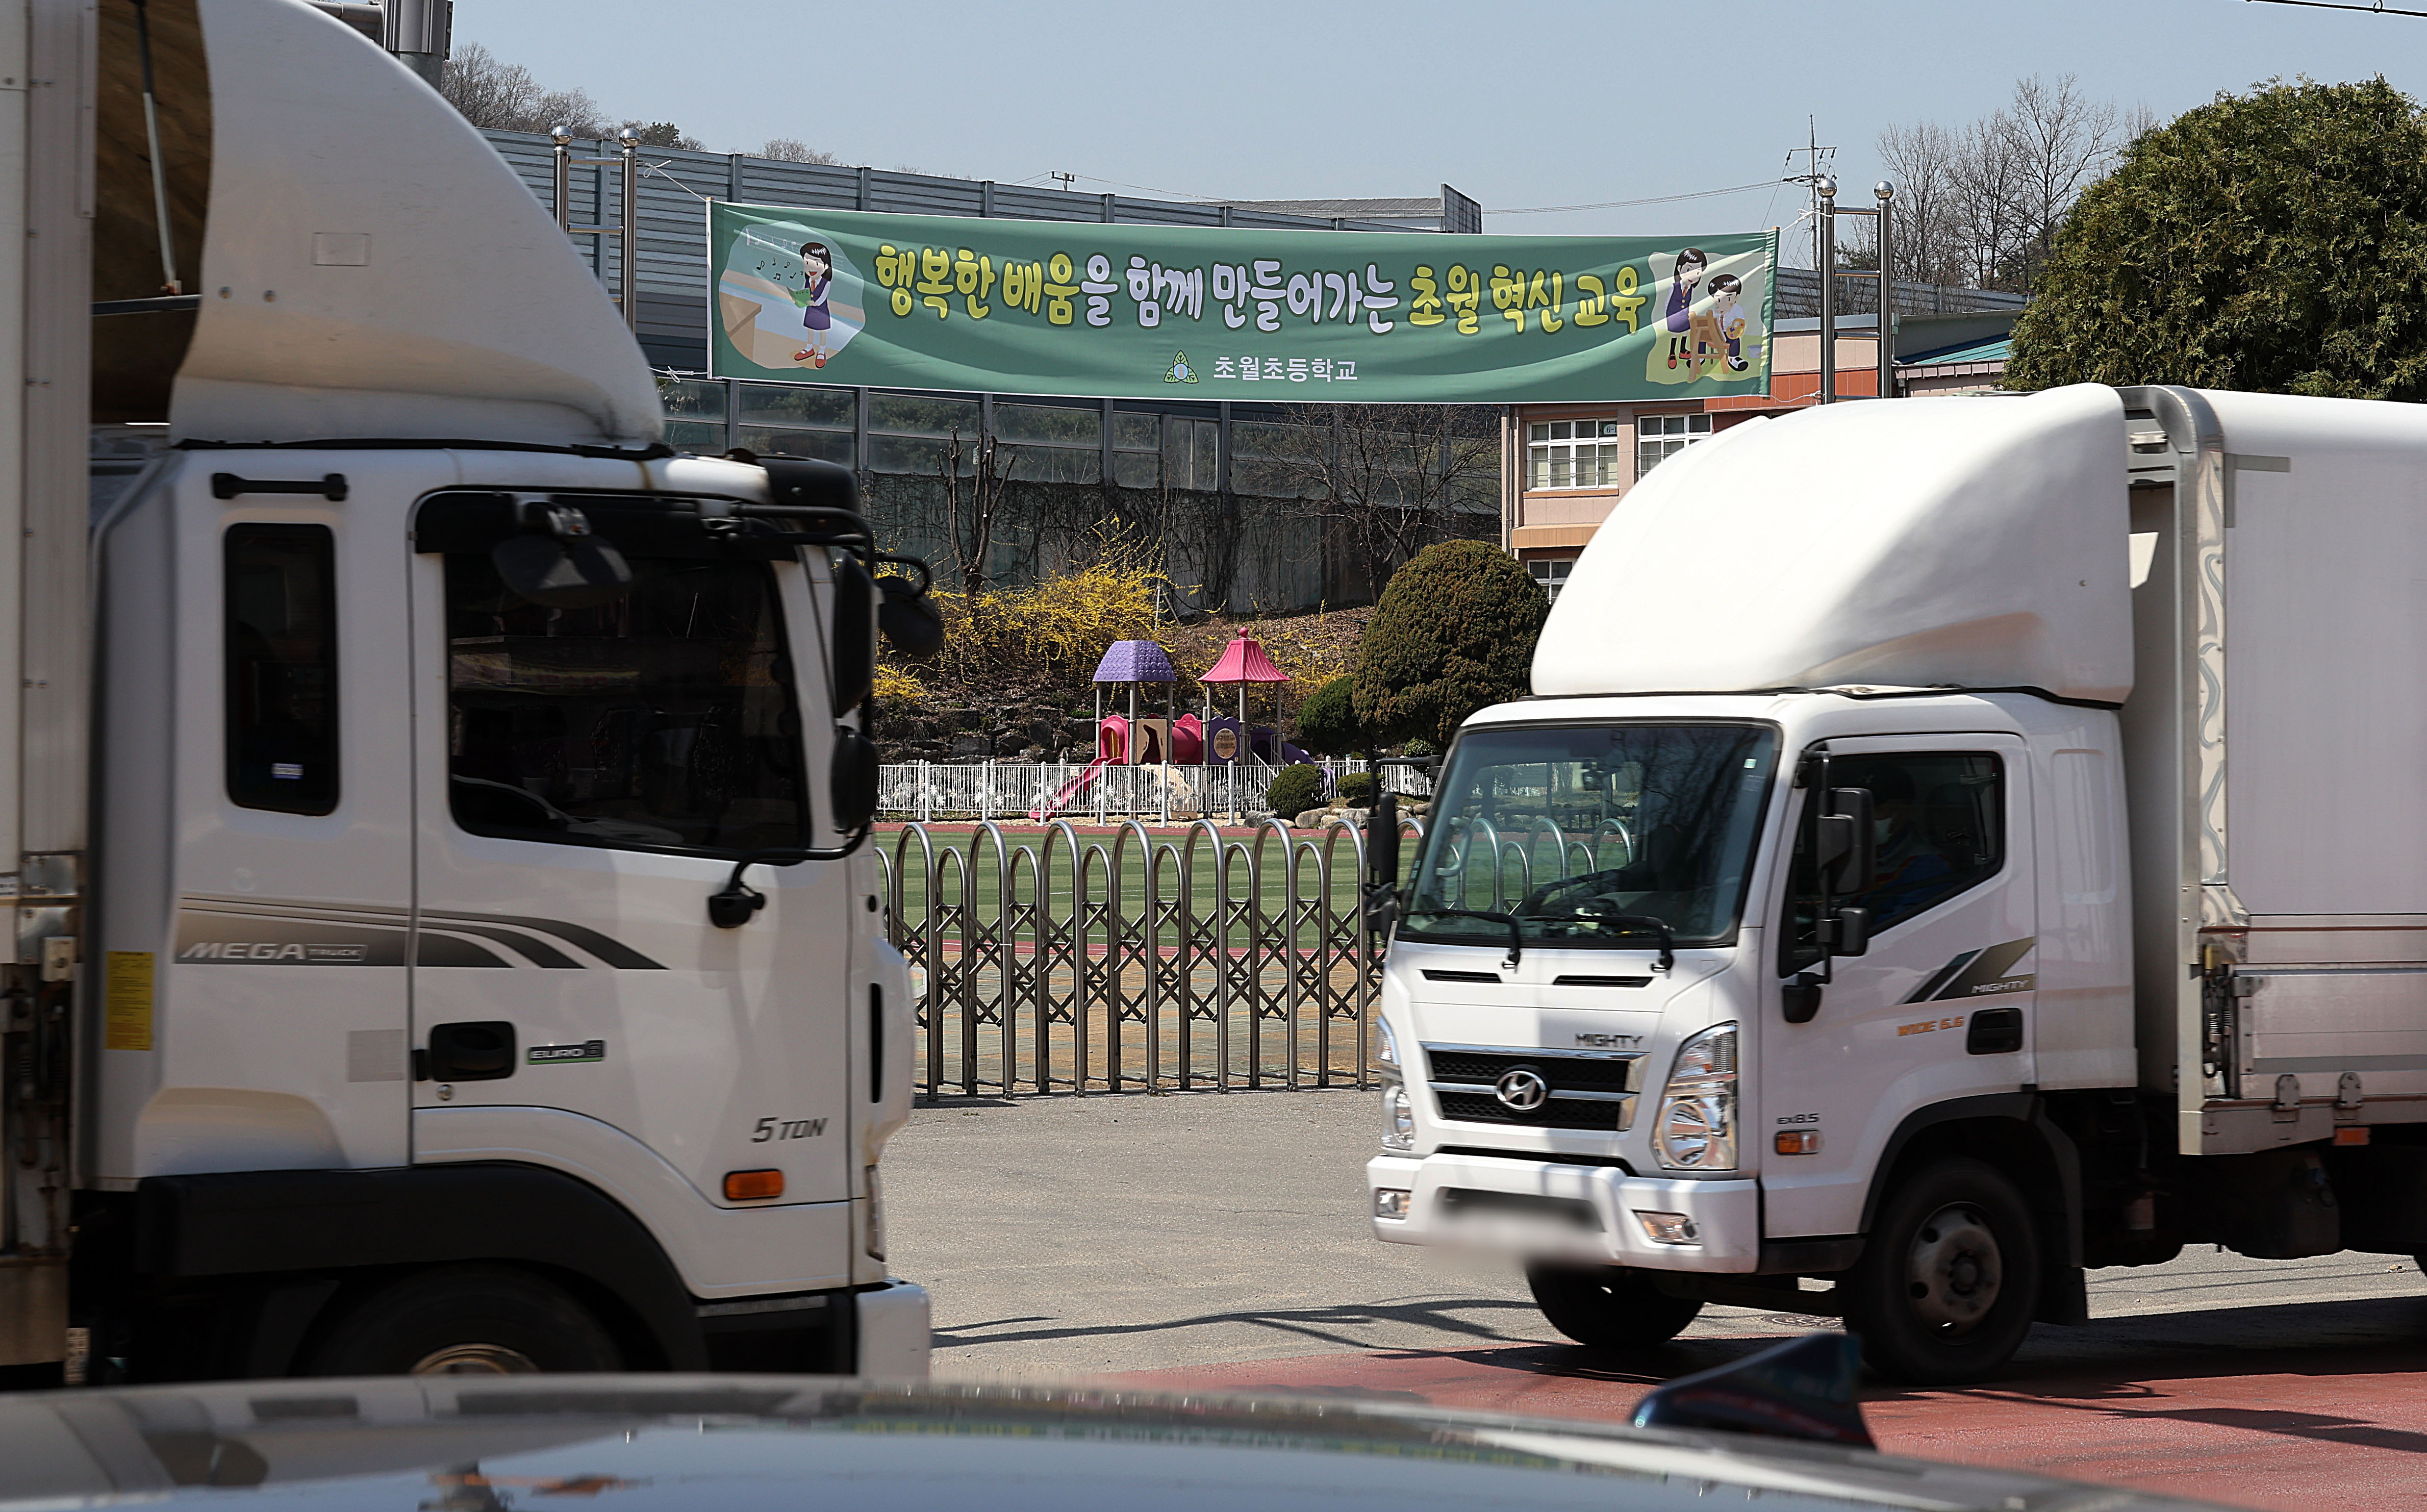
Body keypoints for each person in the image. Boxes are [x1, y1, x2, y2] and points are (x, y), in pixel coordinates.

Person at [1856, 765, 1952, 929]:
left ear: (1903, 812)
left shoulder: (1927, 865)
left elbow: (1901, 929)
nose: (1866, 818)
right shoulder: (1857, 852)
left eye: (1877, 809)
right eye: (1862, 809)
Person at [790, 242, 835, 368]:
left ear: (826, 266)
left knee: (822, 331)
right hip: (810, 310)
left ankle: (822, 351)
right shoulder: (808, 280)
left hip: (821, 310)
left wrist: (815, 303)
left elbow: (823, 297)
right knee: (810, 329)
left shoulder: (826, 283)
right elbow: (804, 291)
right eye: (807, 263)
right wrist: (798, 298)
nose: (811, 267)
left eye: (816, 263)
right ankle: (809, 348)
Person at [1663, 247, 1708, 370]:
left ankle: (1683, 350)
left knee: (1685, 332)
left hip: (1684, 314)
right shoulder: (1674, 287)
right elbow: (1667, 302)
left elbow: (1688, 301)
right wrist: (1668, 314)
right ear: (1679, 269)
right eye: (1688, 270)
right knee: (1674, 334)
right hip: (1673, 314)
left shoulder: (1691, 288)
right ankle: (1672, 353)